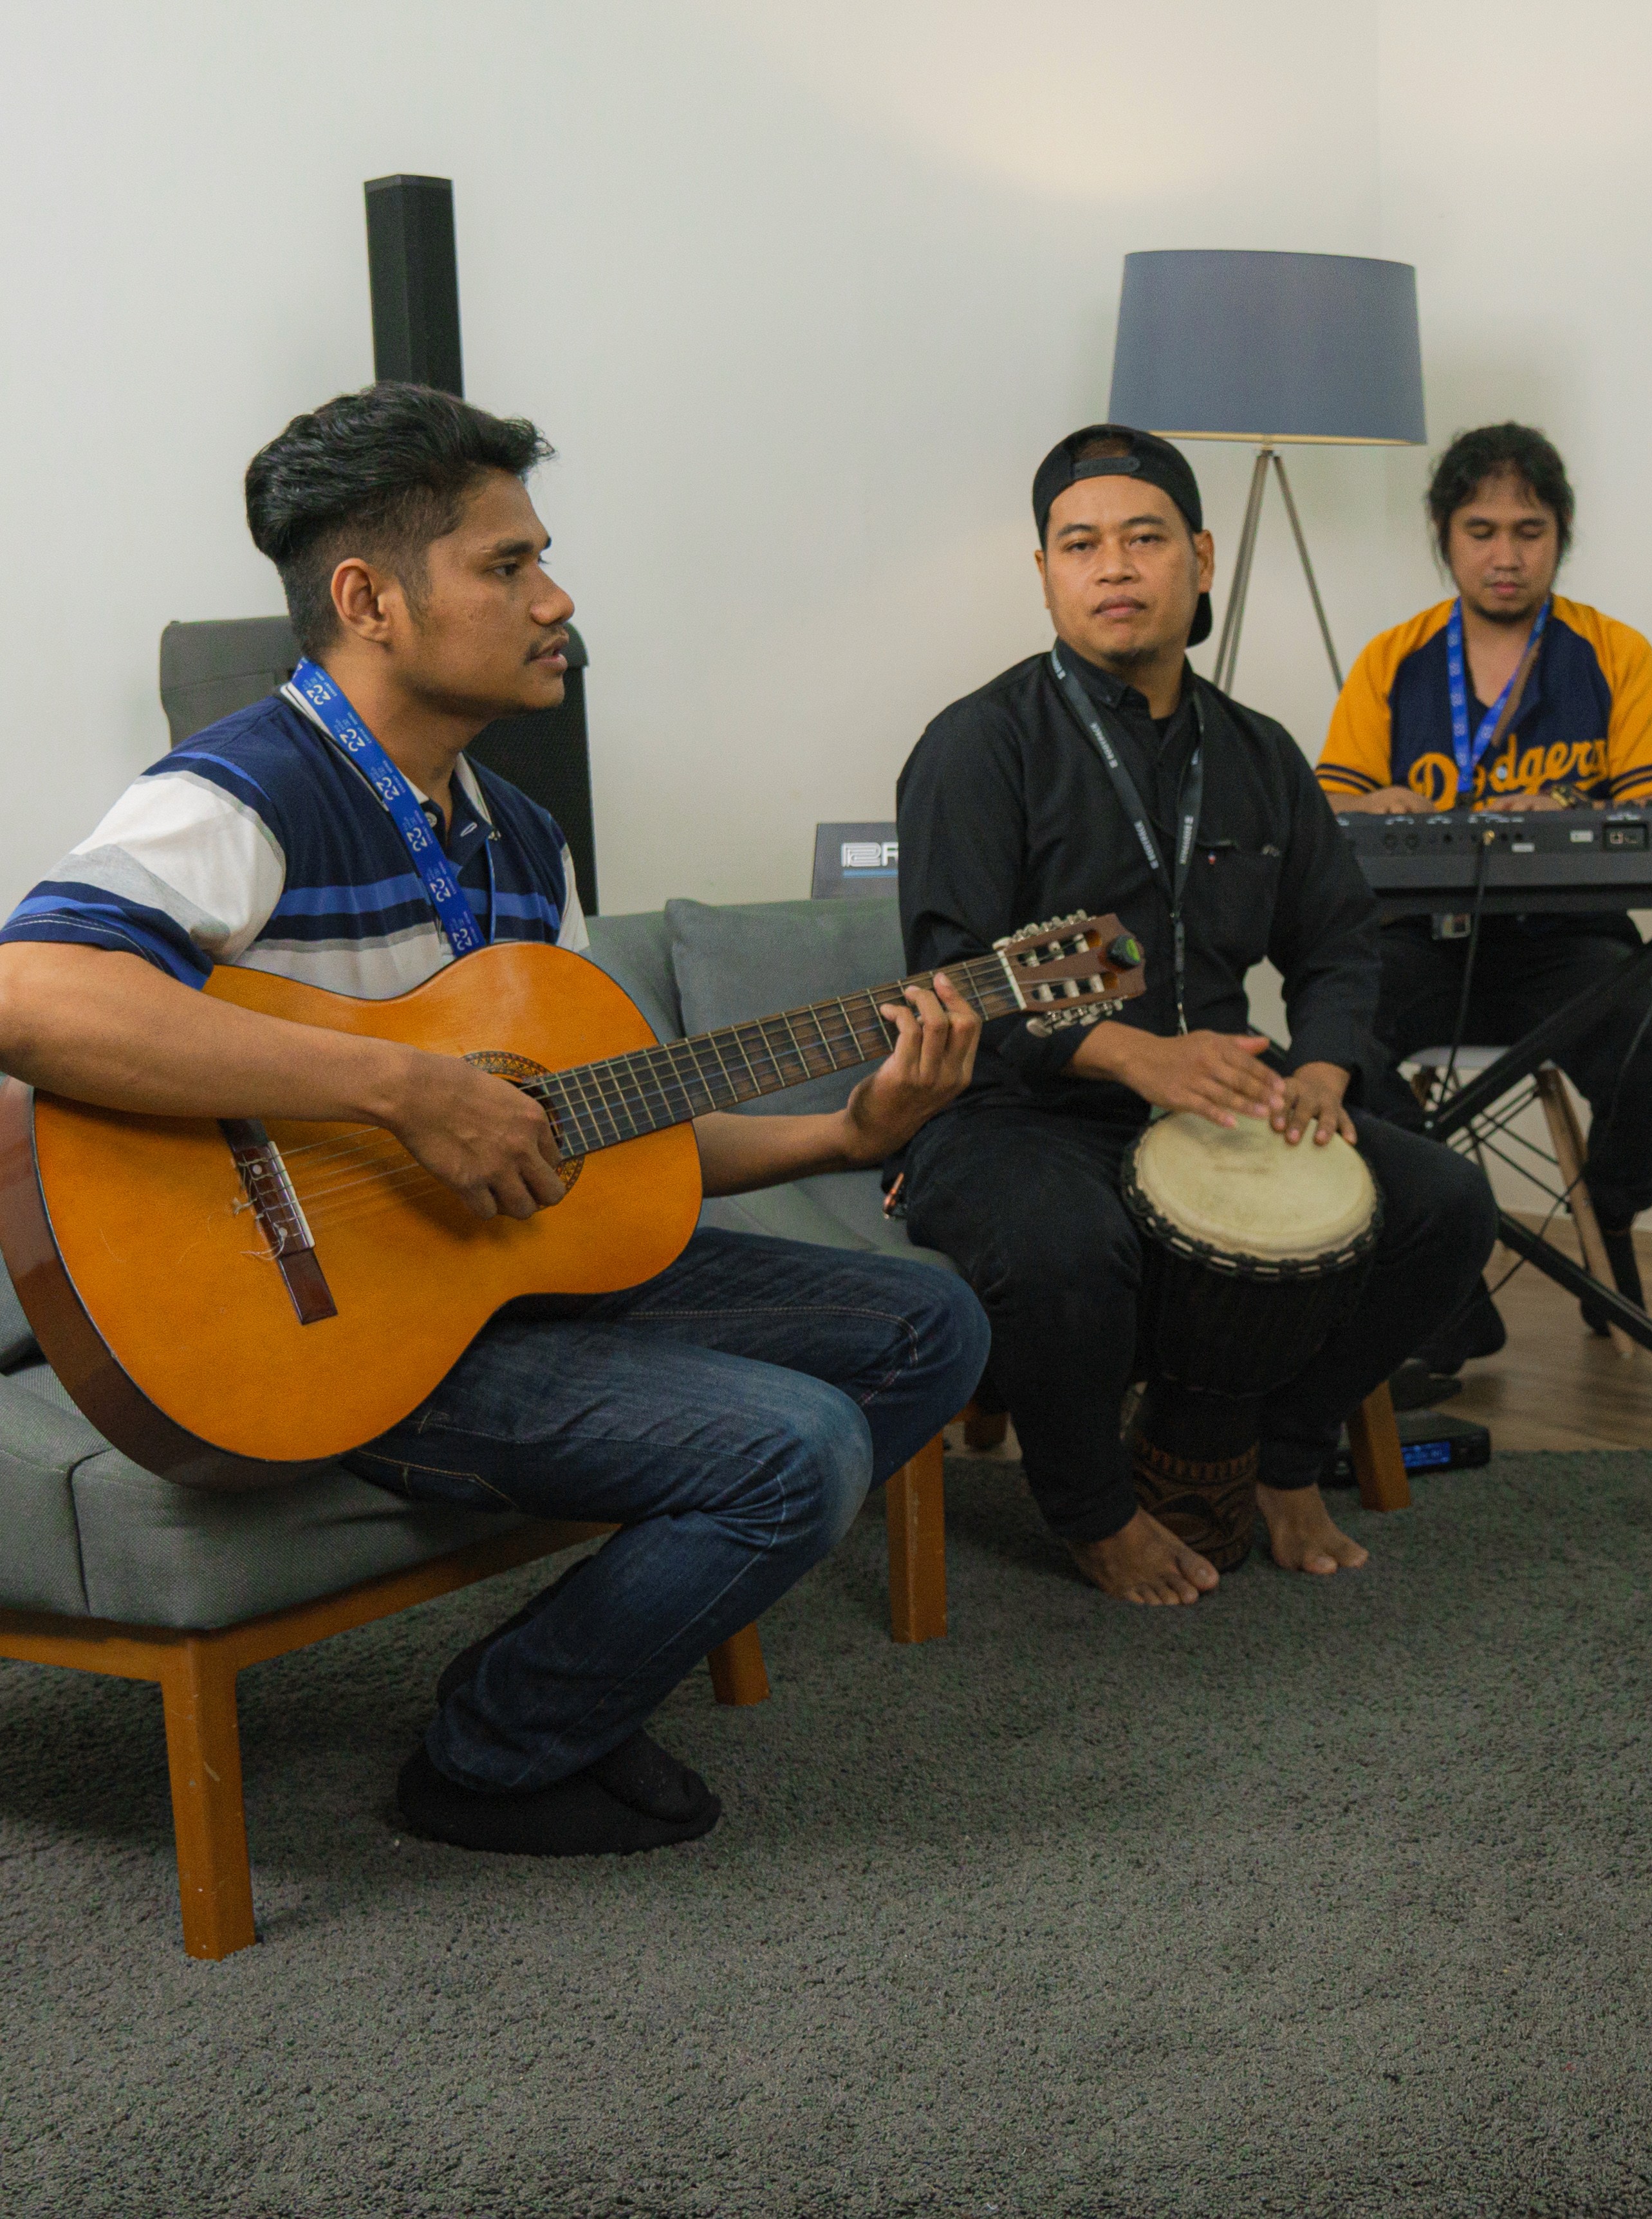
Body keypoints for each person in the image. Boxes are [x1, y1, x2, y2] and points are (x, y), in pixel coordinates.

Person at [0, 383, 991, 1858]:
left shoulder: (518, 835)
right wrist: (405, 1088)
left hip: (495, 1283)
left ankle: (567, 1677)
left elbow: (591, 1127)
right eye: (507, 564)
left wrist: (845, 1137)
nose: (556, 599)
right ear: (368, 600)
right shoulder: (244, 790)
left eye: (544, 560)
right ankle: (492, 1749)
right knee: (792, 1447)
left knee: (931, 1325)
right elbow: (29, 994)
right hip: (329, 1331)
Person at [892, 425, 1496, 1607]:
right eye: (1080, 545)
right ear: (1046, 575)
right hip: (1015, 1113)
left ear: (1202, 559)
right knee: (1069, 1247)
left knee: (1443, 1203)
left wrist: (1324, 1069)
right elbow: (952, 981)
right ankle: (1094, 1512)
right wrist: (1132, 1057)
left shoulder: (1260, 752)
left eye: (1144, 538)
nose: (1114, 567)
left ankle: (1282, 1458)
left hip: (1222, 1101)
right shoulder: (978, 745)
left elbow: (1338, 941)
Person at [1316, 424, 1652, 1380]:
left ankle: (1605, 1211)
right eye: (1480, 530)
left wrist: (1575, 814)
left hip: (1567, 944)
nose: (1505, 554)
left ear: (1560, 535)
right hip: (1419, 944)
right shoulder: (1391, 658)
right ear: (1444, 537)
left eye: (1529, 531)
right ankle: (1450, 1280)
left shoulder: (1615, 653)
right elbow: (1328, 814)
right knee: (1334, 1061)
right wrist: (1379, 803)